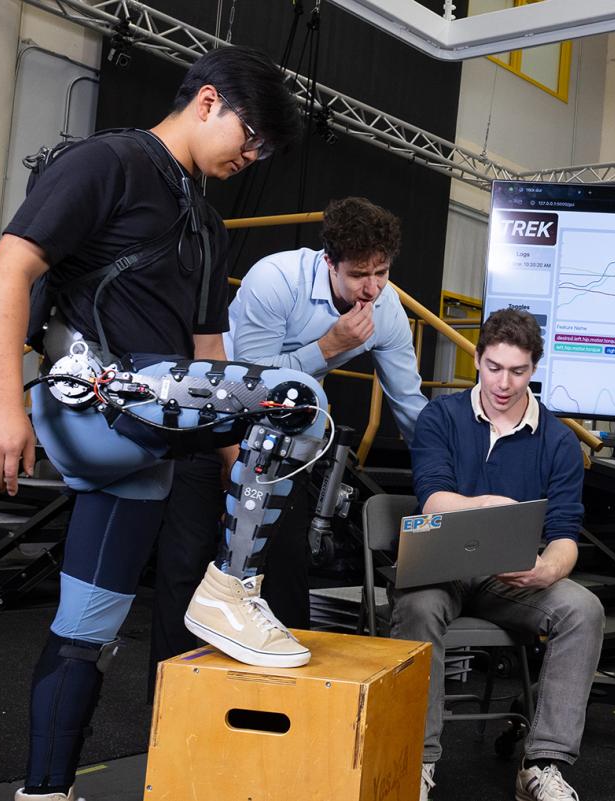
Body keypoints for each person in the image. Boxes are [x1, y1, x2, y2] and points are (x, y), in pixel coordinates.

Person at [0, 47, 306, 800]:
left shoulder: (208, 226)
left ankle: (45, 789)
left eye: (263, 154)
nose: (250, 159)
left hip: (152, 438)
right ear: (209, 101)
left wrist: (238, 461)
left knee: (86, 631)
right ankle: (229, 588)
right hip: (100, 402)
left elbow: (210, 352)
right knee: (297, 399)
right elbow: (10, 267)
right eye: (249, 139)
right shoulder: (111, 163)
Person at [150, 196, 427, 682]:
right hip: (214, 417)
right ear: (330, 262)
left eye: (381, 272)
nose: (373, 287)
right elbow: (249, 386)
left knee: (284, 570)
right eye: (360, 274)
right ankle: (168, 700)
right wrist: (329, 347)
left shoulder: (387, 309)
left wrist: (447, 476)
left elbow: (410, 406)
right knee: (186, 565)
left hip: (283, 439)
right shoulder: (275, 280)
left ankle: (281, 704)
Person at [396, 308, 604, 801]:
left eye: (517, 370)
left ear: (534, 367)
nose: (504, 383)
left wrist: (547, 569)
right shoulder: (440, 417)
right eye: (493, 367)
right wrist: (487, 504)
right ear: (476, 357)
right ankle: (418, 762)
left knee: (583, 609)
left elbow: (565, 533)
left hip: (507, 576)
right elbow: (433, 497)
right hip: (440, 568)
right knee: (419, 607)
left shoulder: (557, 440)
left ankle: (542, 764)